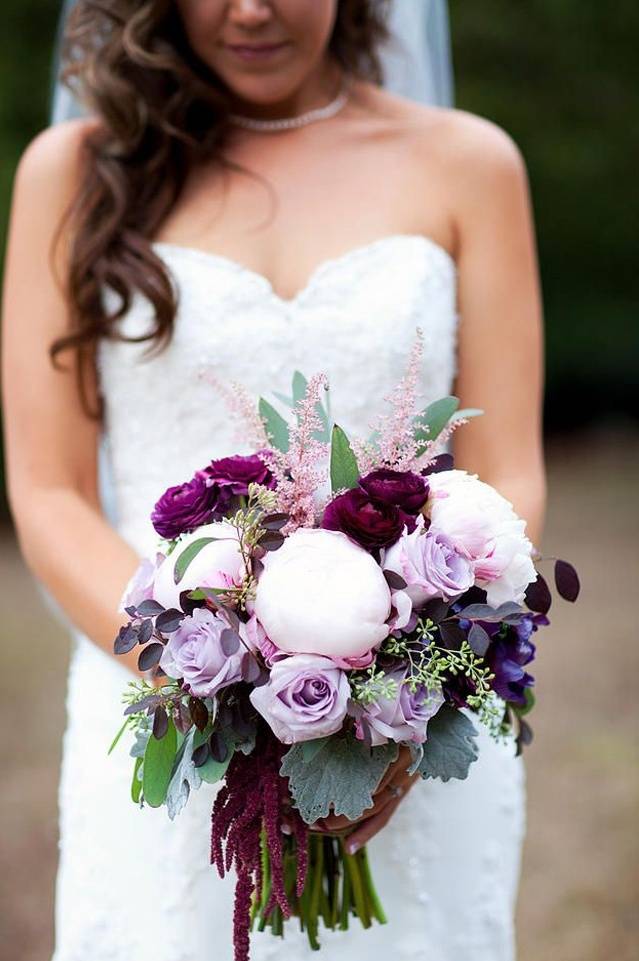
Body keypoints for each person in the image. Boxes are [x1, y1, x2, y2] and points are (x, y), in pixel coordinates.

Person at [1, 2, 546, 959]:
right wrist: (208, 685)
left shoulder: (471, 162)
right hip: (166, 714)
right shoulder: (77, 169)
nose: (250, 9)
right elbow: (48, 489)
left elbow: (507, 472)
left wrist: (404, 691)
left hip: (400, 731)